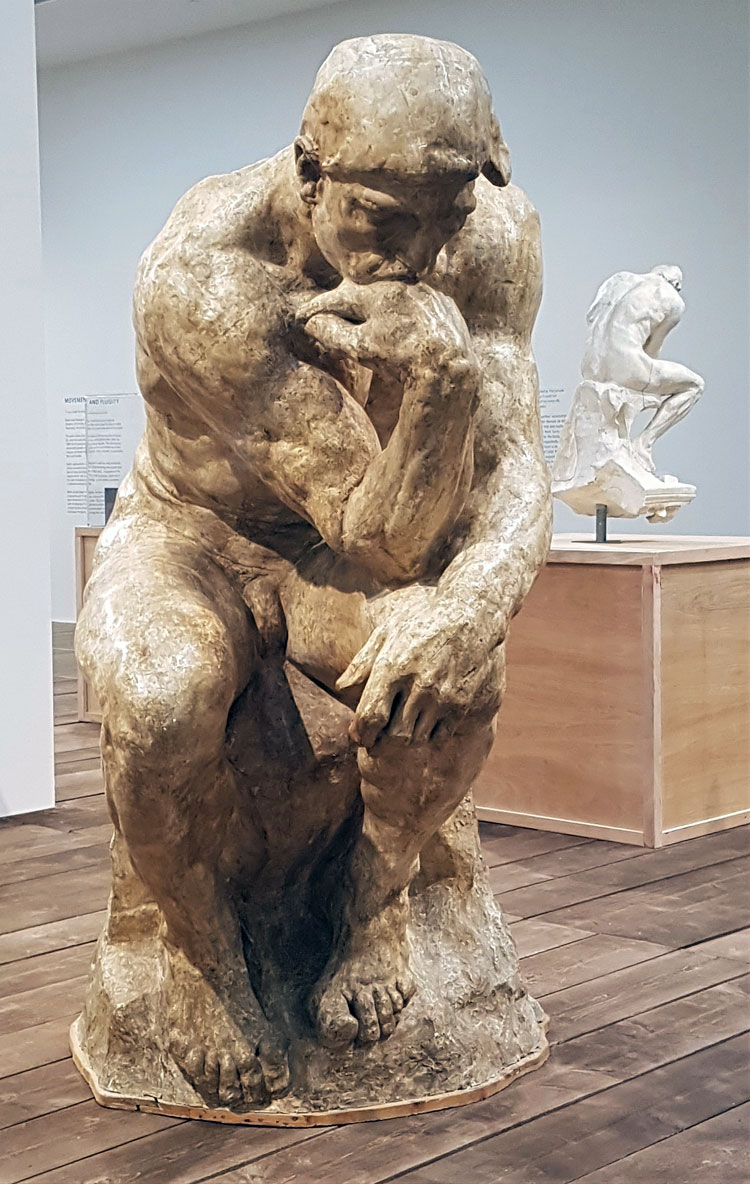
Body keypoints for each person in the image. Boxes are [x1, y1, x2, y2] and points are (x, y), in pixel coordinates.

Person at [77, 33, 550, 1109]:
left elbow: (521, 466)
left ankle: (373, 904)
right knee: (159, 700)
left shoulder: (496, 242)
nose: (422, 258)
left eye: (449, 218)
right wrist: (436, 384)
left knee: (456, 673)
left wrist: (471, 601)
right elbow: (382, 534)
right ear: (309, 172)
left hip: (338, 539)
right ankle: (198, 955)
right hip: (194, 535)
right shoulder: (205, 277)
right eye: (383, 223)